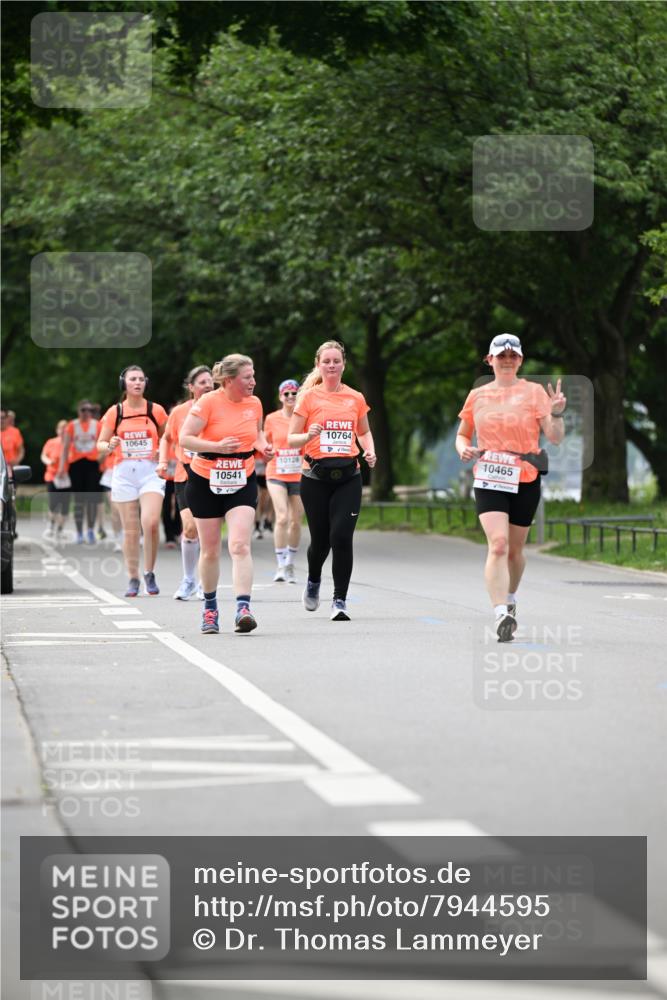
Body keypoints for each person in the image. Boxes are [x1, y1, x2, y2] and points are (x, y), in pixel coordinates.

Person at [455, 334, 566, 642]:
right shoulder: (478, 394)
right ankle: (500, 611)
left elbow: (555, 437)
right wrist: (462, 448)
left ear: (520, 360)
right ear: (489, 360)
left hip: (525, 477)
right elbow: (463, 434)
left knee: (516, 551)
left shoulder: (533, 393)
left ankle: (511, 597)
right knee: (499, 545)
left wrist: (555, 413)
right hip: (490, 476)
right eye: (500, 355)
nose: (506, 360)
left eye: (512, 356)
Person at [179, 354, 272, 634]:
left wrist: (263, 446)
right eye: (247, 377)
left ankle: (243, 608)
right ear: (230, 380)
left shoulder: (254, 403)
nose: (253, 382)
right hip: (205, 479)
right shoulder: (208, 402)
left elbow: (256, 433)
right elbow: (185, 438)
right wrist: (218, 446)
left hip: (241, 479)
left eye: (254, 375)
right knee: (209, 551)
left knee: (240, 545)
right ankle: (210, 609)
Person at [288, 340, 376, 621]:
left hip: (348, 477)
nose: (331, 366)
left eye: (336, 361)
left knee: (341, 537)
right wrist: (309, 435)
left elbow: (363, 432)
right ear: (318, 365)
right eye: (326, 361)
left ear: (343, 365)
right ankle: (313, 579)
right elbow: (292, 439)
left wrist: (369, 450)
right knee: (321, 541)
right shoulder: (308, 398)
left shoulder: (355, 398)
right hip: (315, 477)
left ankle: (339, 600)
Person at [97, 366, 168, 597]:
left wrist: (162, 453)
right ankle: (133, 577)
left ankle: (149, 571)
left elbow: (169, 437)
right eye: (132, 379)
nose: (137, 383)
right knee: (130, 530)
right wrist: (110, 445)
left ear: (145, 383)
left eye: (140, 379)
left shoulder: (155, 410)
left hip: (149, 472)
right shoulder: (115, 412)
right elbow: (100, 443)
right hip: (124, 472)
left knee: (151, 522)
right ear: (124, 384)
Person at [157, 365, 214, 600]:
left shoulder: (221, 408)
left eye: (211, 381)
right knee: (190, 528)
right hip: (186, 473)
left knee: (206, 531)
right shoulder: (180, 412)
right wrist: (162, 462)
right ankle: (189, 580)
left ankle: (204, 582)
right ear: (191, 387)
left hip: (213, 474)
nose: (208, 385)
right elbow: (166, 438)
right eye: (202, 382)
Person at [264, 379, 305, 583]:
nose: (290, 397)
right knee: (281, 517)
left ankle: (290, 562)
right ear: (280, 396)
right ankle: (280, 564)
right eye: (286, 393)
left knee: (296, 521)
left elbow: (309, 443)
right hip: (276, 473)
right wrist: (267, 451)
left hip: (298, 474)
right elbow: (265, 443)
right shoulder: (271, 419)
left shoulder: (303, 418)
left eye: (294, 393)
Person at [58, 400, 101, 544]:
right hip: (76, 464)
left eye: (89, 410)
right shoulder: (72, 425)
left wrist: (101, 459)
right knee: (79, 500)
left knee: (92, 500)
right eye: (83, 410)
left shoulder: (97, 425)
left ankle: (90, 530)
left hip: (92, 464)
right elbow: (65, 447)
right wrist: (62, 467)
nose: (86, 412)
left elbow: (104, 443)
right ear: (78, 411)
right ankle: (79, 532)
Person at [40, 419, 71, 542]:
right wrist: (49, 461)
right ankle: (51, 526)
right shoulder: (51, 442)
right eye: (61, 429)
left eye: (65, 429)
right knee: (53, 502)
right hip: (52, 476)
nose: (63, 431)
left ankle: (60, 529)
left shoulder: (71, 444)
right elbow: (43, 455)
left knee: (65, 505)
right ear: (57, 430)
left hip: (66, 478)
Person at [1, 408, 25, 473]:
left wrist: (16, 461)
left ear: (6, 418)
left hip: (11, 468)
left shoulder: (15, 432)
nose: (1, 420)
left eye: (3, 418)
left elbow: (21, 451)